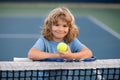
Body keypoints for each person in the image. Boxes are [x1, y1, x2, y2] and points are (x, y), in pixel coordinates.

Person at [28, 7, 92, 62]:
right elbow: (32, 54)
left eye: (64, 26)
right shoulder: (44, 40)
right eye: (57, 25)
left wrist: (70, 56)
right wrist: (58, 56)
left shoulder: (71, 41)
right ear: (50, 26)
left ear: (69, 28)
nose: (60, 29)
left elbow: (88, 53)